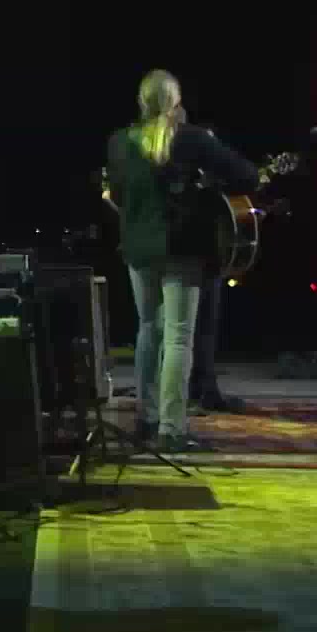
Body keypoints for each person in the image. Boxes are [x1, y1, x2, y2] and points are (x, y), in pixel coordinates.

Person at [106, 70, 260, 453]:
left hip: (138, 250)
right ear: (176, 102)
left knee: (147, 330)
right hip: (181, 251)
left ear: (141, 102)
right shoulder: (192, 139)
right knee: (178, 336)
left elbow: (118, 197)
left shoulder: (119, 141)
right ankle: (172, 430)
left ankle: (147, 418)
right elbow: (248, 177)